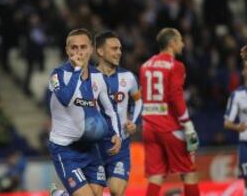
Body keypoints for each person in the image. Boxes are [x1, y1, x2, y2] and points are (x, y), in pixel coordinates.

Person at [48, 28, 121, 196]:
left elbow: (109, 109)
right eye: (74, 48)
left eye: (83, 47)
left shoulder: (98, 77)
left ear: (91, 49)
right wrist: (77, 71)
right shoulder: (57, 75)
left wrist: (116, 132)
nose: (78, 52)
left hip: (90, 148)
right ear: (67, 50)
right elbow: (66, 98)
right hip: (65, 149)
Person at [139, 28, 200, 196]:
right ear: (172, 43)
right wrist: (187, 124)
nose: (183, 44)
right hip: (169, 127)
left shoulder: (145, 66)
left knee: (156, 175)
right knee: (189, 171)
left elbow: (143, 94)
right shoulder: (176, 66)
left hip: (149, 127)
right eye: (180, 40)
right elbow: (175, 96)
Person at [94, 31, 142, 196]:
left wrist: (133, 121)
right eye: (114, 49)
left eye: (120, 49)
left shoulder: (128, 77)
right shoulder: (88, 78)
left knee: (116, 190)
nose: (119, 52)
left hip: (120, 146)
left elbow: (139, 101)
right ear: (100, 51)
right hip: (94, 147)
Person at [224, 60, 247, 195]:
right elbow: (227, 122)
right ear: (243, 72)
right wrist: (238, 127)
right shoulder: (237, 95)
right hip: (245, 143)